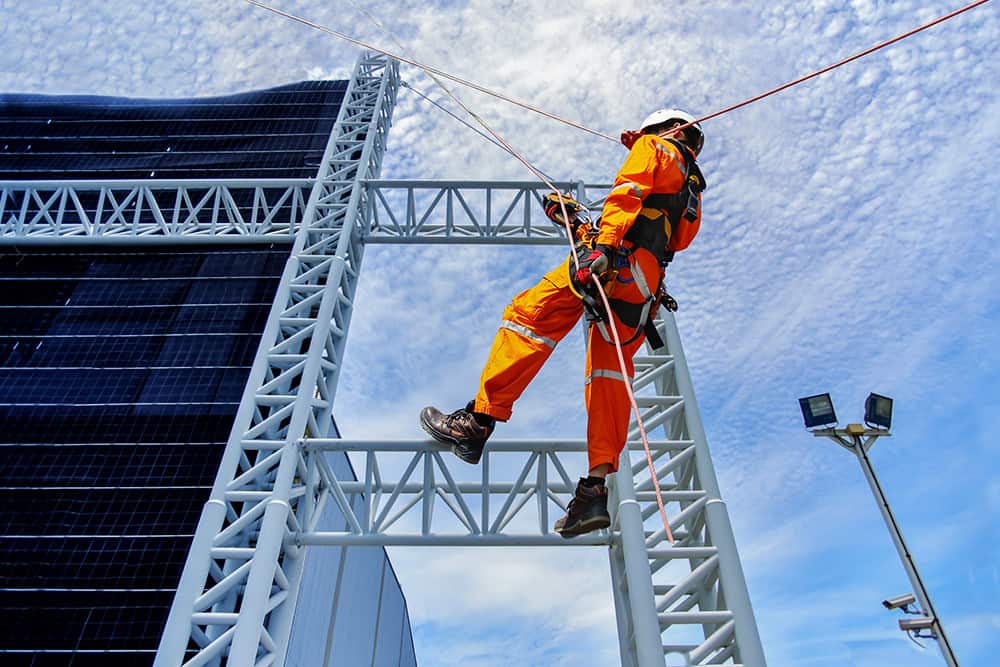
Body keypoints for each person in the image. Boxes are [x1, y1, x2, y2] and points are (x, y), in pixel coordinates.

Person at [420, 108, 707, 538]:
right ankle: (594, 491)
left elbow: (628, 193)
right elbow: (657, 232)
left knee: (529, 318)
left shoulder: (656, 148)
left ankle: (479, 421)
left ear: (662, 129)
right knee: (609, 377)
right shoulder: (691, 192)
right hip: (642, 284)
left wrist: (603, 245)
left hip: (618, 263)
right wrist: (578, 224)